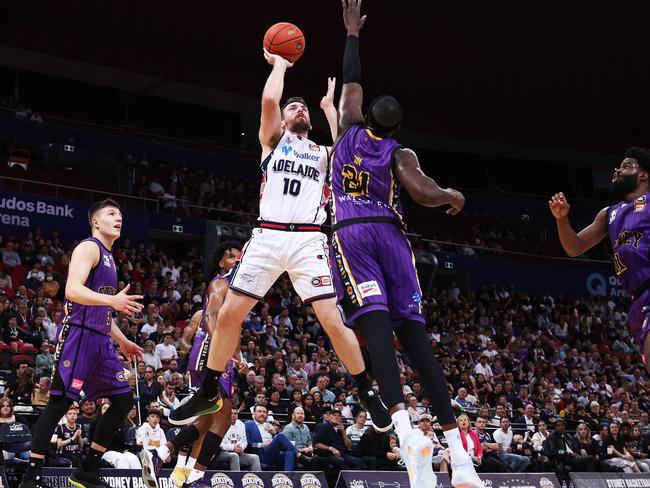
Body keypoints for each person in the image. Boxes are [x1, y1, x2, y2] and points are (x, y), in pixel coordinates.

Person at [169, 25, 390, 434]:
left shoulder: (323, 153)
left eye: (302, 109)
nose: (298, 110)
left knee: (331, 319)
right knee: (231, 314)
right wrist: (280, 64)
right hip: (268, 235)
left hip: (308, 238)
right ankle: (209, 391)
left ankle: (366, 390)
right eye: (294, 108)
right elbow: (271, 98)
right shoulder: (272, 141)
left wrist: (327, 107)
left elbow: (349, 144)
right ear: (284, 119)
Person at [328, 2, 481, 487]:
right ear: (398, 127)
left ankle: (404, 428)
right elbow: (421, 191)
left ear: (365, 113)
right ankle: (459, 457)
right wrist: (452, 195)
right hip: (394, 239)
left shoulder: (350, 126)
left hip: (354, 234)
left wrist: (352, 34)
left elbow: (351, 78)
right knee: (418, 343)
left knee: (376, 334)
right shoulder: (400, 152)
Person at [20, 199, 144, 488]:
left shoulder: (112, 258)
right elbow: (73, 291)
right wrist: (112, 300)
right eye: (112, 213)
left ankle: (87, 470)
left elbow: (102, 309)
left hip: (101, 340)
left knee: (124, 400)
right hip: (79, 336)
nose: (118, 218)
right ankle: (31, 478)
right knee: (60, 403)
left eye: (121, 214)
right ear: (95, 222)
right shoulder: (89, 248)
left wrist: (123, 341)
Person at [149, 242, 244, 488]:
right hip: (209, 351)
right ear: (222, 263)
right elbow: (211, 317)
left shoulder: (238, 290)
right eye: (230, 256)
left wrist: (239, 357)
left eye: (238, 255)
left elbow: (234, 328)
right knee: (220, 420)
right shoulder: (220, 283)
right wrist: (221, 348)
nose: (236, 259)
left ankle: (165, 455)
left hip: (217, 351)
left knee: (211, 419)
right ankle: (194, 475)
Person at [549, 147, 650, 372]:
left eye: (626, 166)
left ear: (643, 176)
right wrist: (561, 220)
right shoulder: (609, 214)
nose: (617, 170)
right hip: (637, 300)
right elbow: (574, 247)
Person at [244, 403, 297, 470]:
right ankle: (299, 454)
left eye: (264, 412)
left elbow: (277, 442)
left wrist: (274, 434)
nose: (262, 414)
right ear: (253, 413)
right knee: (280, 436)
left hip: (273, 453)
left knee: (289, 452)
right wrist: (261, 445)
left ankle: (288, 477)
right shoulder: (248, 424)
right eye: (259, 411)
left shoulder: (269, 425)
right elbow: (247, 443)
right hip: (260, 453)